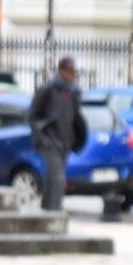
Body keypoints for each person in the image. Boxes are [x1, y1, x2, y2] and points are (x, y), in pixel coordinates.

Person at [28, 56, 85, 210]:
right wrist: (41, 138)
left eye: (73, 72)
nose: (71, 75)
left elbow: (76, 118)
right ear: (61, 71)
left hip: (65, 142)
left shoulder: (73, 93)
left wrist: (77, 138)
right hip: (49, 141)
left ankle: (46, 208)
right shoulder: (47, 90)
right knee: (58, 177)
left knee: (52, 178)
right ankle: (55, 211)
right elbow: (32, 116)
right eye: (68, 71)